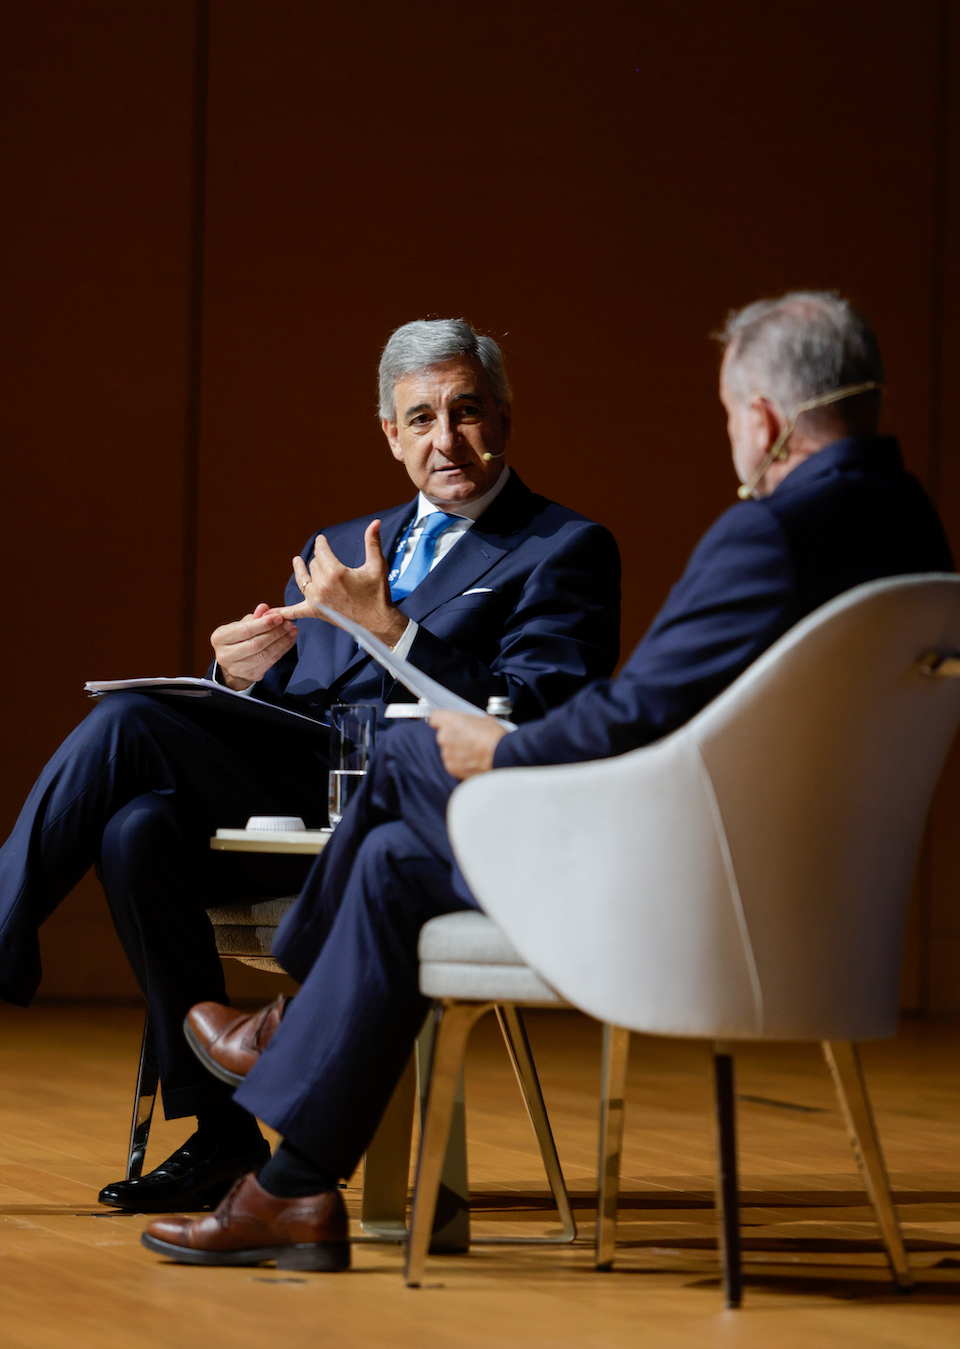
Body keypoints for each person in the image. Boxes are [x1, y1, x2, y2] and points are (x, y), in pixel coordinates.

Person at [146, 290, 953, 1272]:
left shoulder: (773, 533)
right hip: (802, 892)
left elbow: (633, 716)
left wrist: (500, 750)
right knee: (397, 860)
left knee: (408, 753)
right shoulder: (913, 526)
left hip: (685, 880)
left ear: (763, 420)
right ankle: (293, 1191)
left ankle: (284, 1023)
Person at [0, 318, 621, 1212]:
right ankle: (220, 1138)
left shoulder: (563, 548)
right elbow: (287, 718)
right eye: (420, 419)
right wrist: (236, 675)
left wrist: (394, 629)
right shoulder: (339, 544)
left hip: (422, 824)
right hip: (301, 802)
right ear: (389, 435)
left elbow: (537, 717)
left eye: (467, 412)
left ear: (505, 419)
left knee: (133, 723)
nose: (444, 441)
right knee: (138, 830)